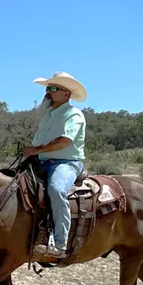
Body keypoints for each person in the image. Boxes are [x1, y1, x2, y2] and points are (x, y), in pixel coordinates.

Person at [22, 71, 87, 258]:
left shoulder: (73, 114)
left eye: (52, 88)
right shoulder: (49, 115)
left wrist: (37, 149)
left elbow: (65, 141)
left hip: (66, 163)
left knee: (57, 189)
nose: (48, 93)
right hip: (41, 160)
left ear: (66, 93)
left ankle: (60, 243)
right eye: (48, 89)